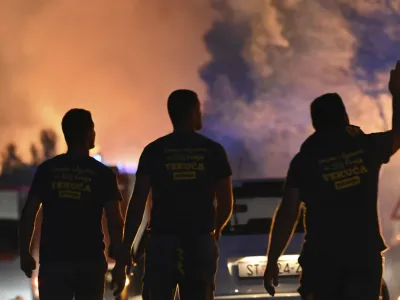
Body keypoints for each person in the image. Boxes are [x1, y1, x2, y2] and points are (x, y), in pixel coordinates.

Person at [263, 61, 400, 300]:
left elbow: (288, 212)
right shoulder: (366, 147)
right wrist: (397, 95)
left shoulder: (304, 160)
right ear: (345, 117)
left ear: (315, 124)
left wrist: (273, 259)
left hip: (322, 261)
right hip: (363, 257)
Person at [112, 89, 234, 300]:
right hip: (199, 242)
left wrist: (126, 248)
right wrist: (215, 232)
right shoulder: (213, 151)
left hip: (162, 243)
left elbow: (138, 203)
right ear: (193, 112)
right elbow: (226, 203)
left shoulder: (154, 151)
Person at [19, 109, 124, 300]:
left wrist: (25, 252)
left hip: (54, 263)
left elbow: (29, 213)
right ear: (88, 133)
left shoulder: (47, 170)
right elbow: (115, 221)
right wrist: (120, 264)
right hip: (90, 263)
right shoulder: (103, 174)